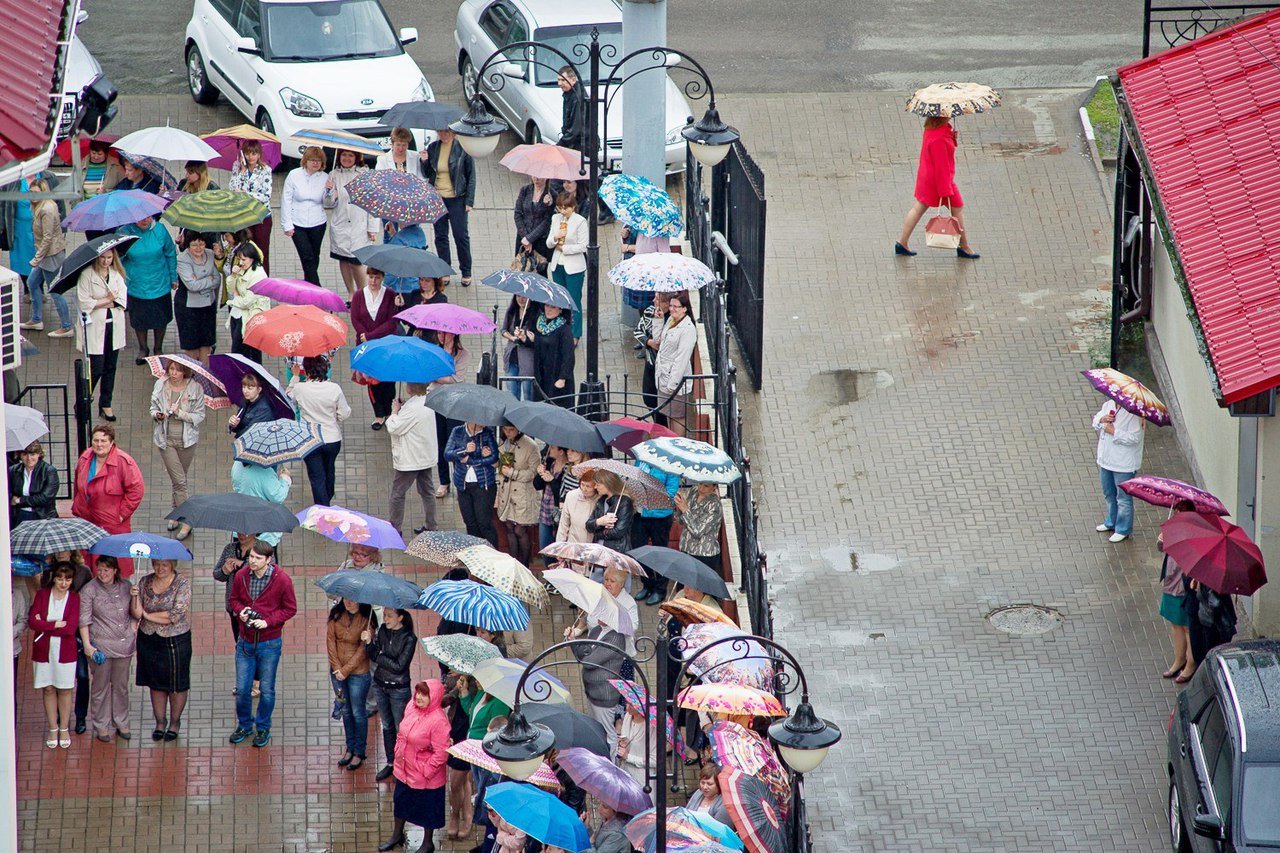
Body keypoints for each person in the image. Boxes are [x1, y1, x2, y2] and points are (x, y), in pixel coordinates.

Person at [229, 541, 298, 748]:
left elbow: (290, 608)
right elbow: (234, 599)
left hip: (269, 643)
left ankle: (263, 727)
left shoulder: (282, 580)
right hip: (245, 642)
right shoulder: (242, 576)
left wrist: (268, 621)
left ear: (269, 560)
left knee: (267, 689)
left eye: (258, 558)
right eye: (251, 557)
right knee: (242, 689)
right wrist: (240, 611)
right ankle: (244, 725)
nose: (252, 561)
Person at [381, 679, 450, 853]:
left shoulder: (439, 721)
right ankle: (397, 835)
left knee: (428, 811)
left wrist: (425, 771)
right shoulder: (411, 707)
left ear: (433, 697)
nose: (418, 697)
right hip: (404, 769)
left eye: (424, 694)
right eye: (418, 692)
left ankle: (427, 843)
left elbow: (441, 753)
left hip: (426, 778)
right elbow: (403, 733)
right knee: (400, 803)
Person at [896, 115, 979, 259]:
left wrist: (952, 138)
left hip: (927, 178)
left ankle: (901, 243)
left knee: (917, 209)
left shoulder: (932, 129)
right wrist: (945, 191)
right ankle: (964, 247)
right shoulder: (940, 138)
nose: (951, 114)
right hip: (940, 182)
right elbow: (942, 167)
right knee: (957, 209)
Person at [131, 558, 192, 741]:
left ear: (172, 565)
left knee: (176, 683)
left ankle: (174, 722)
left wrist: (148, 615)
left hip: (175, 640)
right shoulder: (144, 582)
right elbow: (136, 613)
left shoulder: (182, 583)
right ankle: (159, 722)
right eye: (156, 564)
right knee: (155, 682)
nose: (160, 568)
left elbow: (174, 615)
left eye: (164, 565)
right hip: (148, 638)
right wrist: (135, 596)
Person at [77, 555, 136, 742]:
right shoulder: (89, 590)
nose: (102, 573)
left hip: (124, 645)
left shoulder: (127, 586)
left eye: (106, 569)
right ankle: (101, 725)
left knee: (121, 687)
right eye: (99, 569)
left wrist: (134, 624)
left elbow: (134, 613)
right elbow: (84, 620)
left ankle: (121, 722)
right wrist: (87, 645)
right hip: (100, 647)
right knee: (100, 687)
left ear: (115, 570)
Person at [71, 425, 145, 574]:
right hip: (87, 521)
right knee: (88, 563)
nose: (99, 444)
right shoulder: (85, 458)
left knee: (115, 566)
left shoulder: (124, 462)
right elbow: (77, 485)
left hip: (112, 525)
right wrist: (77, 506)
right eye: (96, 440)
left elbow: (136, 490)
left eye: (103, 441)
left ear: (111, 443)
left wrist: (121, 514)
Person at [150, 358, 206, 540]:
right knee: (180, 482)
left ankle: (175, 512)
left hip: (187, 441)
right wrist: (158, 415)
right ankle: (188, 520)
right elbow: (153, 408)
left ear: (185, 372)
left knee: (179, 480)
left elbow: (199, 416)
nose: (173, 373)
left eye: (178, 370)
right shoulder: (161, 385)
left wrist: (181, 413)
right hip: (166, 440)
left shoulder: (195, 388)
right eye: (171, 369)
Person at [288, 355, 351, 506]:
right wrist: (335, 417)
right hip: (332, 439)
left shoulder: (300, 388)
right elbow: (345, 413)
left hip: (310, 440)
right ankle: (326, 499)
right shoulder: (334, 388)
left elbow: (288, 399)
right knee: (329, 470)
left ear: (307, 372)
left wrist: (295, 377)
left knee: (316, 477)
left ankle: (323, 509)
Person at [29, 562, 79, 748]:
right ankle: (52, 728)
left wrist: (45, 624)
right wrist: (55, 624)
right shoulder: (42, 595)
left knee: (65, 689)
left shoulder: (74, 598)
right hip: (43, 651)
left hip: (65, 651)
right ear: (54, 579)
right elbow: (32, 621)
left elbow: (71, 628)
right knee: (48, 688)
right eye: (60, 578)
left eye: (67, 579)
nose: (63, 583)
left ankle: (64, 727)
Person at [76, 247, 128, 419]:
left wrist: (102, 302)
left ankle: (106, 403)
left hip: (113, 326)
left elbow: (121, 301)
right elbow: (84, 303)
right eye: (103, 257)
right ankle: (83, 399)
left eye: (109, 258)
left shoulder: (116, 275)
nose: (106, 261)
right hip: (94, 329)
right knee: (96, 368)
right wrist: (107, 300)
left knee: (110, 368)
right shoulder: (87, 275)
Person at [117, 214, 177, 364]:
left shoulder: (161, 230)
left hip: (160, 284)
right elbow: (117, 259)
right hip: (137, 285)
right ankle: (143, 349)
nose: (144, 220)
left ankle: (158, 348)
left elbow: (170, 254)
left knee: (160, 319)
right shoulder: (124, 232)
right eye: (140, 217)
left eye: (148, 217)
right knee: (139, 321)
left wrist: (173, 276)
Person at [367, 608, 417, 783]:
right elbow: (374, 655)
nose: (385, 619)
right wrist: (369, 644)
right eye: (385, 615)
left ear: (400, 618)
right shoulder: (382, 631)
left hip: (398, 689)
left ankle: (404, 764)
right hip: (380, 685)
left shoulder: (409, 638)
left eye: (389, 616)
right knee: (387, 725)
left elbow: (399, 666)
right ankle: (391, 762)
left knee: (401, 729)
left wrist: (380, 656)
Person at [565, 616, 625, 757]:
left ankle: (612, 762)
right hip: (591, 691)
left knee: (607, 733)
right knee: (596, 731)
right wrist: (573, 640)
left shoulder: (616, 638)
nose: (597, 616)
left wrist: (576, 645)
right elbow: (582, 654)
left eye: (601, 613)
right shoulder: (597, 630)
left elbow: (589, 662)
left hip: (604, 695)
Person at [423, 128, 475, 286]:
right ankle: (444, 270)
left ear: (453, 132)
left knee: (461, 236)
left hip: (457, 199)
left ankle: (466, 271)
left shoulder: (463, 149)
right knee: (440, 237)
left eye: (446, 132)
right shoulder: (433, 148)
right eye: (440, 132)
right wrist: (424, 161)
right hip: (438, 198)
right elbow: (427, 174)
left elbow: (471, 175)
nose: (443, 135)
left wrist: (469, 201)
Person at [328, 597, 375, 770]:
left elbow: (363, 651)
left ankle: (359, 751)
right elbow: (330, 642)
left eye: (353, 599)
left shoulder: (367, 618)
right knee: (345, 711)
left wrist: (345, 670)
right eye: (346, 598)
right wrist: (336, 668)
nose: (349, 602)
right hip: (337, 673)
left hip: (358, 674)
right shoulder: (336, 615)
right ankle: (350, 747)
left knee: (358, 712)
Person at [387, 382, 439, 537]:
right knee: (427, 491)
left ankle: (395, 529)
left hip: (411, 459)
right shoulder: (427, 401)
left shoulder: (414, 408)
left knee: (397, 494)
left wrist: (394, 411)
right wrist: (403, 408)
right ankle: (431, 525)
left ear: (411, 387)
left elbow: (394, 428)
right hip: (425, 455)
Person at [351, 266, 400, 429]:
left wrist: (371, 336)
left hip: (386, 345)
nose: (373, 281)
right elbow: (355, 319)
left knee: (388, 380)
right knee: (372, 381)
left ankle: (390, 410)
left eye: (377, 277)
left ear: (383, 278)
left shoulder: (390, 294)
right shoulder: (359, 295)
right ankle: (379, 414)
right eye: (370, 277)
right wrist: (364, 335)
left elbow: (392, 322)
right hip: (366, 346)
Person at [326, 147, 378, 298]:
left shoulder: (365, 175)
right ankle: (351, 293)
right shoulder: (333, 175)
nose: (347, 158)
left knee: (357, 261)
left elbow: (373, 203)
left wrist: (372, 228)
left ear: (357, 157)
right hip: (340, 224)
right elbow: (328, 204)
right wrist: (330, 192)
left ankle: (363, 294)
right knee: (343, 259)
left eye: (350, 155)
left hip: (359, 226)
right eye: (344, 155)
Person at [24, 178, 73, 337]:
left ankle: (67, 327)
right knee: (32, 282)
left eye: (36, 192)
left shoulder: (46, 209)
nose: (32, 195)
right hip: (47, 255)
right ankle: (36, 319)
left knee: (55, 291)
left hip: (50, 256)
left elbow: (47, 238)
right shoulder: (41, 206)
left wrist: (36, 259)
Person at [1092, 399, 1145, 543]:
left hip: (1123, 463)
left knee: (1123, 498)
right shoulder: (1108, 405)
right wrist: (1102, 420)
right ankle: (1111, 521)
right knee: (1109, 493)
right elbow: (1096, 420)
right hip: (1106, 459)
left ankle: (1123, 529)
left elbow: (1135, 438)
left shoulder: (1134, 414)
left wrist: (1114, 432)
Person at [1158, 500, 1196, 684]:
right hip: (1171, 582)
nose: (1176, 514)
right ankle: (1178, 660)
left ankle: (1191, 664)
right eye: (1176, 511)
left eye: (1180, 511)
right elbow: (1165, 550)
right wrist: (1162, 541)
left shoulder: (1194, 532)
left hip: (1184, 585)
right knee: (1175, 623)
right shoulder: (1173, 527)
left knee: (1188, 627)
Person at [632, 461, 681, 604]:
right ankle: (647, 584)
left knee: (660, 554)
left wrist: (649, 496)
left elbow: (671, 492)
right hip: (640, 514)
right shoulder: (641, 460)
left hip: (660, 516)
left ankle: (660, 589)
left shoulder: (670, 466)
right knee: (639, 552)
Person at [444, 422, 499, 547]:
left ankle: (493, 555)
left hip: (483, 485)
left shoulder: (488, 433)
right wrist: (464, 450)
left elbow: (495, 458)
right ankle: (475, 554)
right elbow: (447, 454)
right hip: (463, 485)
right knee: (470, 522)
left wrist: (472, 460)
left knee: (484, 523)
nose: (483, 423)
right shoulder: (457, 431)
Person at [430, 331, 470, 497]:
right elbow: (430, 373)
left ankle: (459, 478)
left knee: (456, 443)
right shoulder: (434, 351)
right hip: (437, 402)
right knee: (440, 442)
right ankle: (444, 481)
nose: (441, 336)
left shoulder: (463, 354)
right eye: (439, 332)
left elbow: (456, 379)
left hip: (455, 404)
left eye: (444, 333)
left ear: (453, 334)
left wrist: (438, 377)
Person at [282, 146, 329, 285]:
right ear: (305, 161)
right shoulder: (294, 175)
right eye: (312, 160)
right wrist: (287, 224)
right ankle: (317, 289)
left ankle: (308, 286)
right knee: (307, 256)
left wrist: (330, 192)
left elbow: (329, 203)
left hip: (318, 224)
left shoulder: (325, 177)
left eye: (318, 161)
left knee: (314, 256)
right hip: (298, 224)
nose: (315, 163)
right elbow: (286, 200)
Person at [653, 292, 698, 436]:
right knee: (668, 415)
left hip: (675, 383)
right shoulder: (671, 321)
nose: (672, 309)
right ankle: (671, 444)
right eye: (671, 305)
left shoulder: (688, 329)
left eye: (676, 306)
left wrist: (672, 384)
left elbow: (682, 359)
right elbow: (658, 341)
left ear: (685, 309)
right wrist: (658, 320)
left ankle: (678, 444)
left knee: (677, 417)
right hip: (663, 378)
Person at [495, 425, 539, 566]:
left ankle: (525, 564)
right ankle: (514, 563)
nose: (508, 433)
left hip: (523, 494)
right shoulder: (503, 443)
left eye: (511, 430)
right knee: (509, 527)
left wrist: (513, 473)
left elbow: (533, 473)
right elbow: (500, 466)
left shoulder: (531, 445)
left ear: (519, 429)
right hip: (506, 492)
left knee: (520, 530)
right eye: (505, 429)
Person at [546, 193, 588, 341]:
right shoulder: (555, 218)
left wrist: (564, 248)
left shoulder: (580, 221)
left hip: (574, 266)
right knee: (560, 299)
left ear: (573, 207)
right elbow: (549, 243)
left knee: (573, 300)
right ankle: (560, 330)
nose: (563, 211)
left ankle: (575, 334)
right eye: (560, 208)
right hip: (558, 265)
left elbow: (583, 246)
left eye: (566, 208)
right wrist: (556, 237)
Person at [228, 139, 274, 271]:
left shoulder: (265, 170)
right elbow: (233, 189)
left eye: (254, 153)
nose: (251, 157)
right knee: (245, 249)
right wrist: (241, 173)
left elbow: (265, 196)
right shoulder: (237, 166)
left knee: (261, 250)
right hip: (244, 215)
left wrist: (245, 194)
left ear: (259, 154)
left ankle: (263, 280)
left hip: (261, 216)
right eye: (247, 153)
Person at [174, 231, 220, 362]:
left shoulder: (210, 254)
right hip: (188, 308)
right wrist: (208, 279)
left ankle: (205, 376)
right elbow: (192, 286)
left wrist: (199, 280)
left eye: (201, 244)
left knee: (207, 344)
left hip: (208, 306)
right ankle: (192, 376)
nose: (198, 248)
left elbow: (217, 280)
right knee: (191, 345)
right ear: (188, 245)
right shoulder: (182, 259)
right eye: (194, 245)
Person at [441, 680, 477, 838]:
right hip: (455, 728)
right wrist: (456, 686)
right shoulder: (455, 676)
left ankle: (461, 815)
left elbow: (473, 711)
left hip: (470, 732)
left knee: (457, 780)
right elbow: (444, 700)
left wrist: (464, 692)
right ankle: (462, 814)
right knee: (462, 780)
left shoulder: (479, 682)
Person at [230, 461, 291, 552]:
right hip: (264, 532)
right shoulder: (265, 472)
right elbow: (278, 496)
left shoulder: (237, 464)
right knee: (267, 563)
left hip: (241, 526)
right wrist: (285, 478)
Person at [225, 243, 270, 362]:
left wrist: (234, 300)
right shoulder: (242, 269)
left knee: (250, 353)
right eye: (239, 259)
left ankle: (255, 379)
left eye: (244, 259)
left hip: (251, 318)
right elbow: (230, 289)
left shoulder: (259, 275)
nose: (240, 262)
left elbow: (246, 302)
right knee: (239, 351)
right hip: (238, 314)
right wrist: (233, 275)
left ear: (252, 258)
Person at [1184, 574, 1237, 674]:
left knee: (1213, 660)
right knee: (1202, 658)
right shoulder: (1199, 571)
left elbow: (1216, 603)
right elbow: (1188, 585)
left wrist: (1202, 586)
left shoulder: (1219, 579)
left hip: (1217, 624)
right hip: (1203, 620)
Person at [213, 531, 257, 646]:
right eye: (239, 531)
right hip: (234, 608)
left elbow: (267, 573)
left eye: (245, 532)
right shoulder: (230, 548)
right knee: (239, 642)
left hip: (256, 608)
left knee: (255, 645)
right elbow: (217, 574)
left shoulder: (263, 550)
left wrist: (242, 565)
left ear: (255, 532)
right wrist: (225, 570)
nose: (242, 534)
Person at [674, 482, 724, 576]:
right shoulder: (693, 491)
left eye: (706, 486)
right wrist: (679, 505)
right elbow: (681, 521)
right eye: (700, 484)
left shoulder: (714, 505)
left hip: (703, 555)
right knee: (682, 589)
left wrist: (685, 510)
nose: (701, 488)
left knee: (698, 590)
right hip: (686, 548)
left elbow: (698, 531)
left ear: (714, 487)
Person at [533, 303, 575, 408]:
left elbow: (568, 356)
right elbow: (538, 344)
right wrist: (524, 338)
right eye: (547, 306)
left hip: (556, 377)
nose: (548, 310)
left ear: (560, 310)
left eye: (553, 307)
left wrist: (562, 378)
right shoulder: (541, 325)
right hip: (542, 376)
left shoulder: (564, 329)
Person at [9, 441, 59, 526]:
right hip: (19, 516)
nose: (29, 458)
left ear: (39, 454)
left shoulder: (49, 471)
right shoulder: (13, 470)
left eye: (32, 454)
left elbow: (45, 498)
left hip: (43, 516)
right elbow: (7, 492)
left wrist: (19, 500)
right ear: (20, 455)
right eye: (25, 454)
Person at [514, 176, 555, 276]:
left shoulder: (552, 194)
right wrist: (526, 238)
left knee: (540, 274)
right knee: (520, 271)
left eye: (540, 176)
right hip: (523, 240)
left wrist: (548, 206)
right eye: (534, 176)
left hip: (540, 241)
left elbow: (547, 221)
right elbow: (518, 214)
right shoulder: (525, 190)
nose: (536, 179)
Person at [585, 470, 634, 552]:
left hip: (616, 550)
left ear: (608, 484)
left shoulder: (624, 502)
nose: (595, 487)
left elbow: (618, 532)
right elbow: (588, 525)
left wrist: (597, 533)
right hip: (599, 548)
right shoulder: (601, 501)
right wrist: (599, 522)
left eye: (598, 484)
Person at [501, 295, 539, 401]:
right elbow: (504, 330)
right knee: (512, 394)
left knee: (528, 393)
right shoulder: (512, 310)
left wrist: (524, 337)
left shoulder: (537, 314)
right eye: (518, 296)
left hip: (527, 360)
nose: (521, 300)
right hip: (512, 357)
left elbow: (538, 339)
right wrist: (512, 337)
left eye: (524, 297)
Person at [615, 701, 656, 797]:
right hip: (625, 774)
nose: (627, 707)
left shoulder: (652, 728)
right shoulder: (628, 717)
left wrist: (628, 757)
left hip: (642, 780)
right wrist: (621, 744)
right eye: (627, 703)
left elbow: (655, 761)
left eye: (632, 705)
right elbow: (625, 738)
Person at [381, 219, 428, 297]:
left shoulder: (398, 240)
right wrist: (394, 235)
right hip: (417, 284)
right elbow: (407, 243)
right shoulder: (420, 233)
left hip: (402, 288)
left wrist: (384, 285)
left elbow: (391, 267)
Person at [534, 444, 568, 552]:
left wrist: (552, 480)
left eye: (552, 448)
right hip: (545, 511)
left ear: (561, 452)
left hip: (558, 513)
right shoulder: (549, 462)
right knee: (544, 548)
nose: (549, 450)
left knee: (558, 549)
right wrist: (540, 473)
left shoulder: (568, 469)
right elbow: (537, 485)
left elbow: (562, 494)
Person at [555, 467, 600, 547]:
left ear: (595, 487)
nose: (584, 489)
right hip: (573, 544)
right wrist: (560, 546)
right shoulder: (571, 496)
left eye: (588, 486)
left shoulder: (600, 499)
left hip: (593, 546)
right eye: (582, 485)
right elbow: (564, 524)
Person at [228, 372, 275, 438]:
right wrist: (234, 424)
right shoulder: (245, 402)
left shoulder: (264, 409)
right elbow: (241, 425)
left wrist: (237, 438)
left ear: (259, 390)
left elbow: (249, 432)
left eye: (250, 388)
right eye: (244, 387)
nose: (245, 391)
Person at [557, 66, 587, 154]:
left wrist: (561, 144)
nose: (559, 83)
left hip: (581, 145)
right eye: (558, 80)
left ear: (573, 80)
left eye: (563, 80)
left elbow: (575, 128)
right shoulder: (570, 93)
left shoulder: (577, 98)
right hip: (576, 143)